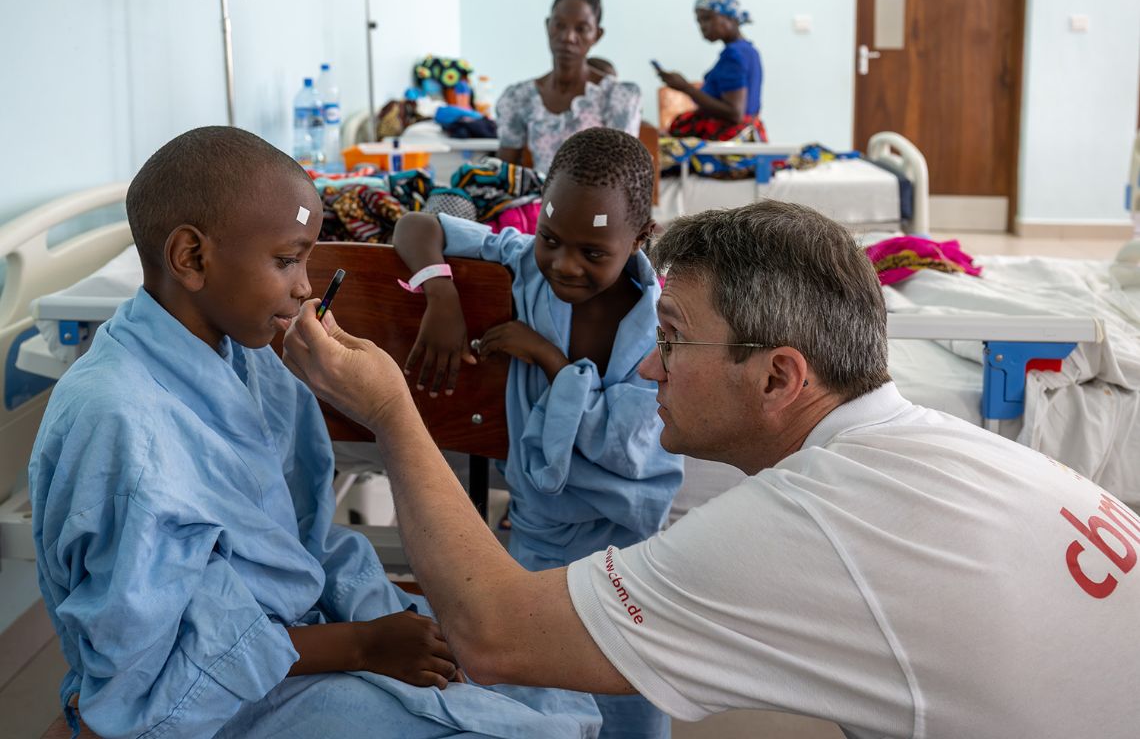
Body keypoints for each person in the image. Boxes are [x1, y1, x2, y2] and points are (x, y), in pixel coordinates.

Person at [286, 198, 1140, 739]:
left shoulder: (814, 523)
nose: (649, 371)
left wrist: (393, 412)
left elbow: (494, 635)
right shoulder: (951, 451)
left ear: (779, 377)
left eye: (670, 342)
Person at [28, 126, 600, 739]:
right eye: (286, 260)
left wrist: (375, 614)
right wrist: (358, 645)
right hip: (217, 699)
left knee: (559, 690)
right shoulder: (121, 429)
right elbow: (147, 680)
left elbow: (302, 540)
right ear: (191, 258)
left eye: (308, 258)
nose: (305, 286)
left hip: (293, 639)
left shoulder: (246, 356)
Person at [392, 126, 683, 739]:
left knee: (627, 687)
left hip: (624, 550)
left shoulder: (658, 326)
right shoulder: (524, 264)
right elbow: (416, 224)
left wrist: (549, 359)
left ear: (641, 240)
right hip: (538, 539)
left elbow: (625, 450)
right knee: (531, 698)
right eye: (550, 238)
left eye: (591, 253)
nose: (563, 264)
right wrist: (440, 292)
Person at [496, 0, 641, 175]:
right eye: (559, 25)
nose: (568, 37)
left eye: (582, 29)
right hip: (542, 203)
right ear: (548, 25)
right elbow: (504, 174)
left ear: (597, 35)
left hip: (597, 203)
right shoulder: (518, 97)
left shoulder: (617, 97)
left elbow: (622, 178)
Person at [656, 0, 765, 142]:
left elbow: (735, 113)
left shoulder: (733, 54)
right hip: (748, 137)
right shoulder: (749, 51)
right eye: (699, 21)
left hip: (729, 142)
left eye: (707, 19)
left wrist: (686, 88)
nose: (702, 26)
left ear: (729, 17)